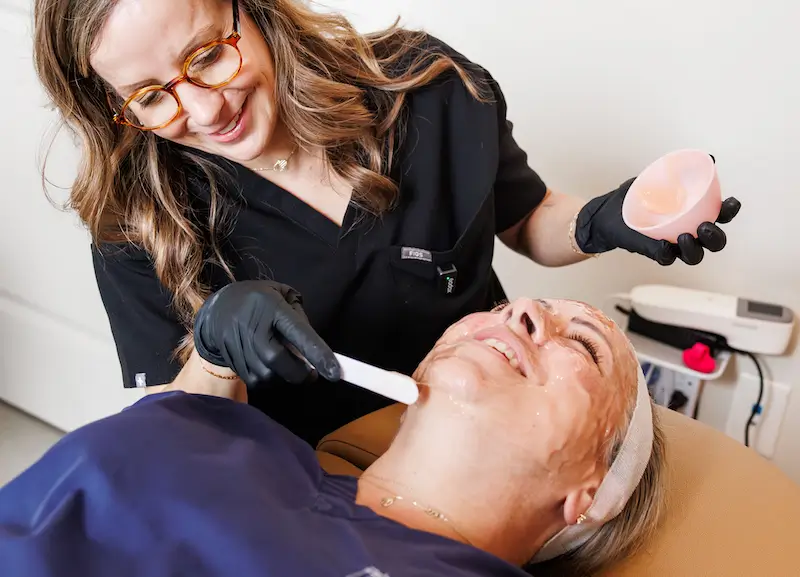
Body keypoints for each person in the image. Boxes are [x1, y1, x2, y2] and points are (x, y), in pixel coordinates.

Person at [32, 0, 740, 443]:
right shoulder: (138, 223)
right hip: (319, 495)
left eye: (210, 55)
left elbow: (527, 219)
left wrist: (599, 222)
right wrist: (213, 352)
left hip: (494, 439)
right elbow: (172, 437)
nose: (206, 110)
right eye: (152, 97)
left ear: (253, 9)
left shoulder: (429, 91)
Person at [0, 297, 665, 577]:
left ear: (592, 494)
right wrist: (212, 353)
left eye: (583, 344)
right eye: (498, 307)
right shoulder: (246, 443)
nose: (522, 311)